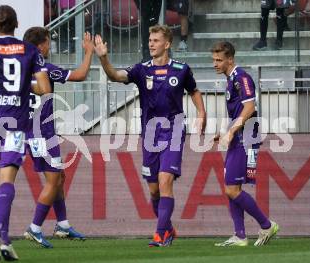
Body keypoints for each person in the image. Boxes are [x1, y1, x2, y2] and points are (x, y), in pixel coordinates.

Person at [94, 24, 206, 247]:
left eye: (155, 40)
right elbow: (115, 76)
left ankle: (160, 235)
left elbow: (193, 91)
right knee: (154, 189)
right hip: (150, 134)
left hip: (174, 129)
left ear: (167, 44)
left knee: (166, 180)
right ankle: (168, 228)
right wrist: (104, 59)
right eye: (150, 40)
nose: (151, 44)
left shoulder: (181, 69)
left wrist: (201, 113)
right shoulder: (141, 69)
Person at [0, 5, 51, 262]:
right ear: (16, 25)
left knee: (1, 176)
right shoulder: (30, 51)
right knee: (8, 179)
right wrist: (25, 86)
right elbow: (45, 89)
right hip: (15, 120)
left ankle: (2, 240)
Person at [21, 26, 94, 248]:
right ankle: (34, 228)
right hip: (42, 133)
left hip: (32, 132)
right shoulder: (45, 68)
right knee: (53, 181)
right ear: (40, 45)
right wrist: (89, 51)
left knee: (59, 178)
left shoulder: (19, 70)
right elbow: (81, 75)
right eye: (47, 42)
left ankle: (62, 225)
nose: (49, 47)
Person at [211, 41, 279, 246]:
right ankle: (240, 236)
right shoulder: (230, 80)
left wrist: (231, 132)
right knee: (232, 186)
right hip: (238, 136)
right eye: (213, 60)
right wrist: (226, 132)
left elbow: (249, 107)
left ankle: (267, 225)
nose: (215, 64)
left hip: (247, 137)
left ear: (230, 59)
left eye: (219, 60)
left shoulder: (241, 77)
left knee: (232, 189)